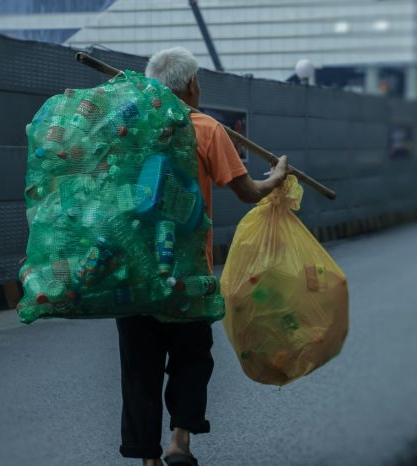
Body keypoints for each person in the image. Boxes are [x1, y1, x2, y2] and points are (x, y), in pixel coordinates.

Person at [117, 47, 289, 466]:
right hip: (187, 269)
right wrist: (276, 177)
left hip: (132, 268)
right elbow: (247, 192)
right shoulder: (207, 129)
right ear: (192, 85)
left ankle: (148, 460)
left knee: (139, 366)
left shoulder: (127, 126)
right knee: (192, 355)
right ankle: (180, 440)